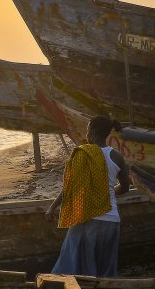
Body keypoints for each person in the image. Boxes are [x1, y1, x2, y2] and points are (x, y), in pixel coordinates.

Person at [45, 115, 130, 277]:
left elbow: (70, 188)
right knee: (105, 273)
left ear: (92, 132)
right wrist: (105, 195)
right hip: (111, 221)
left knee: (71, 270)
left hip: (86, 220)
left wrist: (52, 208)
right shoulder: (117, 157)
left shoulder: (82, 154)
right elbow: (125, 188)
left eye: (87, 130)